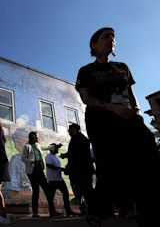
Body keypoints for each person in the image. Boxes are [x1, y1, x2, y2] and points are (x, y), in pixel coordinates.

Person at [76, 27, 160, 226]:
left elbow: (130, 93)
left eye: (113, 37)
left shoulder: (122, 66)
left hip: (129, 118)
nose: (111, 39)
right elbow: (86, 98)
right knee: (110, 165)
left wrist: (137, 111)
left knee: (149, 158)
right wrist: (111, 108)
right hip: (102, 120)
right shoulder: (86, 71)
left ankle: (150, 213)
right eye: (106, 36)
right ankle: (98, 210)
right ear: (94, 45)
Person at [21, 132, 59, 218]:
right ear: (32, 138)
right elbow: (23, 158)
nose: (38, 138)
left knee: (47, 189)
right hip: (32, 171)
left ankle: (52, 211)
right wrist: (32, 161)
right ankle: (35, 212)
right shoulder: (27, 147)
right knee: (36, 191)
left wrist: (55, 147)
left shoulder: (37, 145)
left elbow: (45, 147)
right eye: (36, 137)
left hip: (39, 170)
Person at [60, 123, 94, 216]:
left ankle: (91, 210)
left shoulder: (82, 140)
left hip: (83, 171)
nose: (69, 132)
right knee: (78, 191)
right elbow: (72, 153)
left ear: (75, 129)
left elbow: (77, 155)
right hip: (76, 172)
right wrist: (65, 155)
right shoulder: (74, 139)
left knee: (86, 190)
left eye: (70, 130)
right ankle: (84, 210)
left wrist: (69, 166)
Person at [45, 143, 77, 217]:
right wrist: (61, 169)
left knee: (65, 193)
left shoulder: (54, 157)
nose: (57, 149)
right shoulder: (49, 157)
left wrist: (62, 169)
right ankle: (52, 212)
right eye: (56, 148)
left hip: (58, 179)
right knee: (51, 196)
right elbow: (49, 165)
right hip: (52, 180)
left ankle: (68, 210)